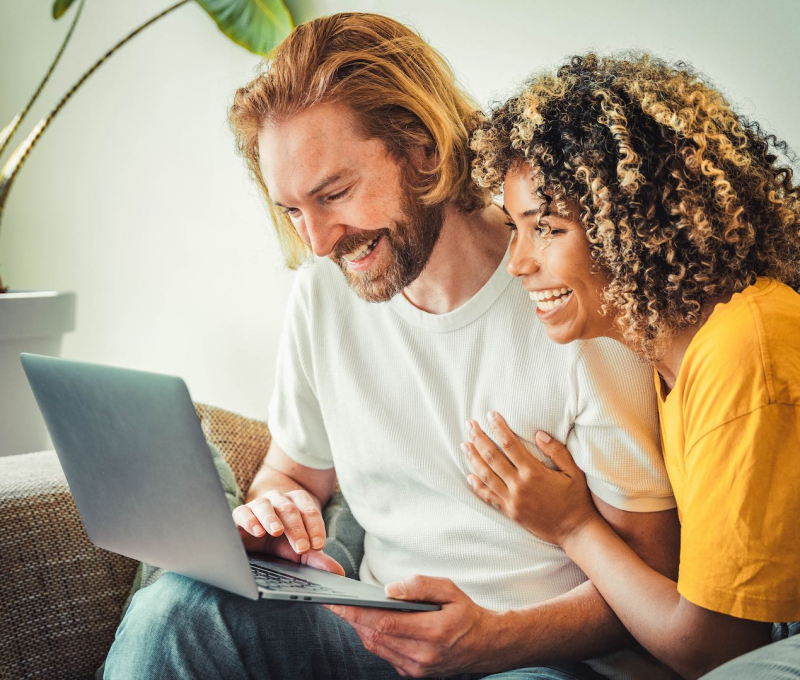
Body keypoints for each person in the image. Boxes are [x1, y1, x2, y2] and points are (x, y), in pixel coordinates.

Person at [104, 19, 681, 680]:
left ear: (423, 151)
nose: (318, 241)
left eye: (334, 194)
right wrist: (275, 507)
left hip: (536, 657)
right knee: (179, 610)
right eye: (292, 210)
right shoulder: (324, 295)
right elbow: (294, 473)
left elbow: (654, 570)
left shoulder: (572, 298)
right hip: (375, 635)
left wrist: (497, 639)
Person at [468, 52, 800, 679]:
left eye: (549, 230)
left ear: (640, 225)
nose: (517, 263)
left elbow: (717, 650)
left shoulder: (743, 349)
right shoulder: (667, 350)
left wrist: (571, 527)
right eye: (515, 228)